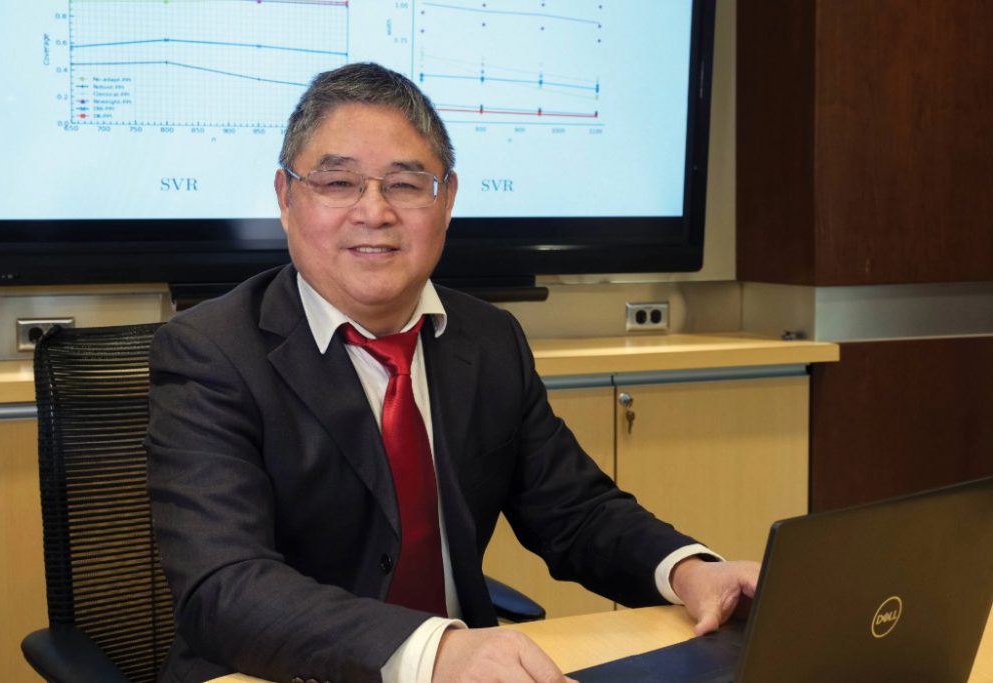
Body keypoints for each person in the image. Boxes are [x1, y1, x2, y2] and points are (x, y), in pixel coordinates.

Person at [146, 62, 759, 683]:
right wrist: (432, 650)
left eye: (406, 184)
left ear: (447, 199)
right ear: (286, 197)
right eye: (338, 182)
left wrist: (689, 571)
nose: (374, 211)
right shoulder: (211, 351)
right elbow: (226, 585)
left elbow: (577, 511)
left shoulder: (489, 339)